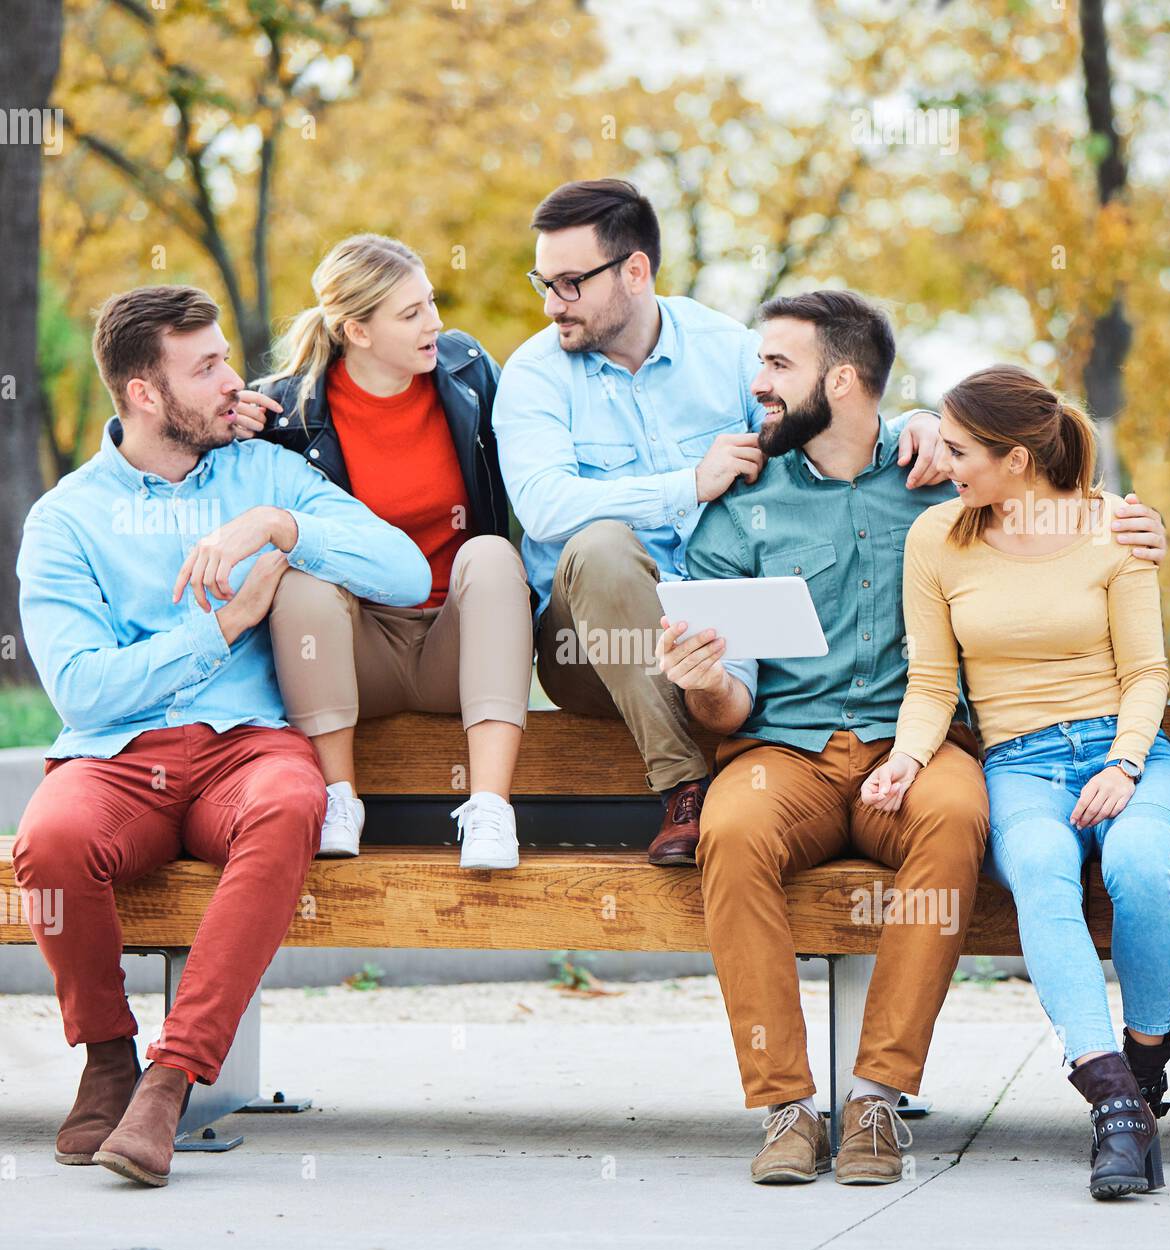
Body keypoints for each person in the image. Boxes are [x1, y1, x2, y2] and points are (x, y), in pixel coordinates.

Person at [659, 292, 1168, 1187]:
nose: (757, 385)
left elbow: (1049, 506)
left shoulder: (941, 480)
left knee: (956, 819)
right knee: (730, 833)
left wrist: (1135, 525)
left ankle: (877, 1102)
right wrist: (704, 687)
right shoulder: (740, 510)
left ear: (843, 379)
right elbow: (728, 711)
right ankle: (785, 1105)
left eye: (778, 365)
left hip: (918, 748)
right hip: (786, 753)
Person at [13, 285, 431, 1187]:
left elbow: (401, 571)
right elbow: (83, 690)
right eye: (204, 368)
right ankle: (109, 1059)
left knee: (291, 803)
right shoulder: (66, 519)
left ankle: (172, 1077)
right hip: (120, 756)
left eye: (225, 358)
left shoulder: (262, 473)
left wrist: (283, 525)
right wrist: (222, 626)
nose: (233, 382)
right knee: (46, 841)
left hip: (246, 745)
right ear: (144, 394)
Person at [493, 180, 945, 866]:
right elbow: (544, 507)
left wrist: (916, 422)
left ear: (635, 271)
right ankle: (683, 787)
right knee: (601, 545)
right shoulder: (534, 375)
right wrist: (685, 486)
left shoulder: (725, 349)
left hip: (726, 631)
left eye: (569, 283)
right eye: (543, 282)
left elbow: (811, 413)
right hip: (596, 643)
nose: (553, 304)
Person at [862, 365, 1170, 1200]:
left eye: (959, 449)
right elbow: (934, 683)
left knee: (1139, 866)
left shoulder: (1114, 529)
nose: (944, 462)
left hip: (1133, 754)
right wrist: (907, 756)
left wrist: (1124, 763)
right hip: (1019, 766)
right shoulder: (936, 537)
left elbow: (1148, 671)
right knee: (1045, 871)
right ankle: (1114, 1099)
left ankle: (1146, 1060)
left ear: (1016, 459)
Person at [234, 234, 533, 868]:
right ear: (357, 332)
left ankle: (489, 810)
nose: (435, 324)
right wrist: (216, 429)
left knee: (491, 553)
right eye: (412, 313)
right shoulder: (286, 409)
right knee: (303, 574)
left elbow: (546, 436)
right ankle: (338, 798)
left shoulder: (469, 372)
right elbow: (173, 455)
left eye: (431, 302)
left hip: (458, 646)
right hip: (351, 653)